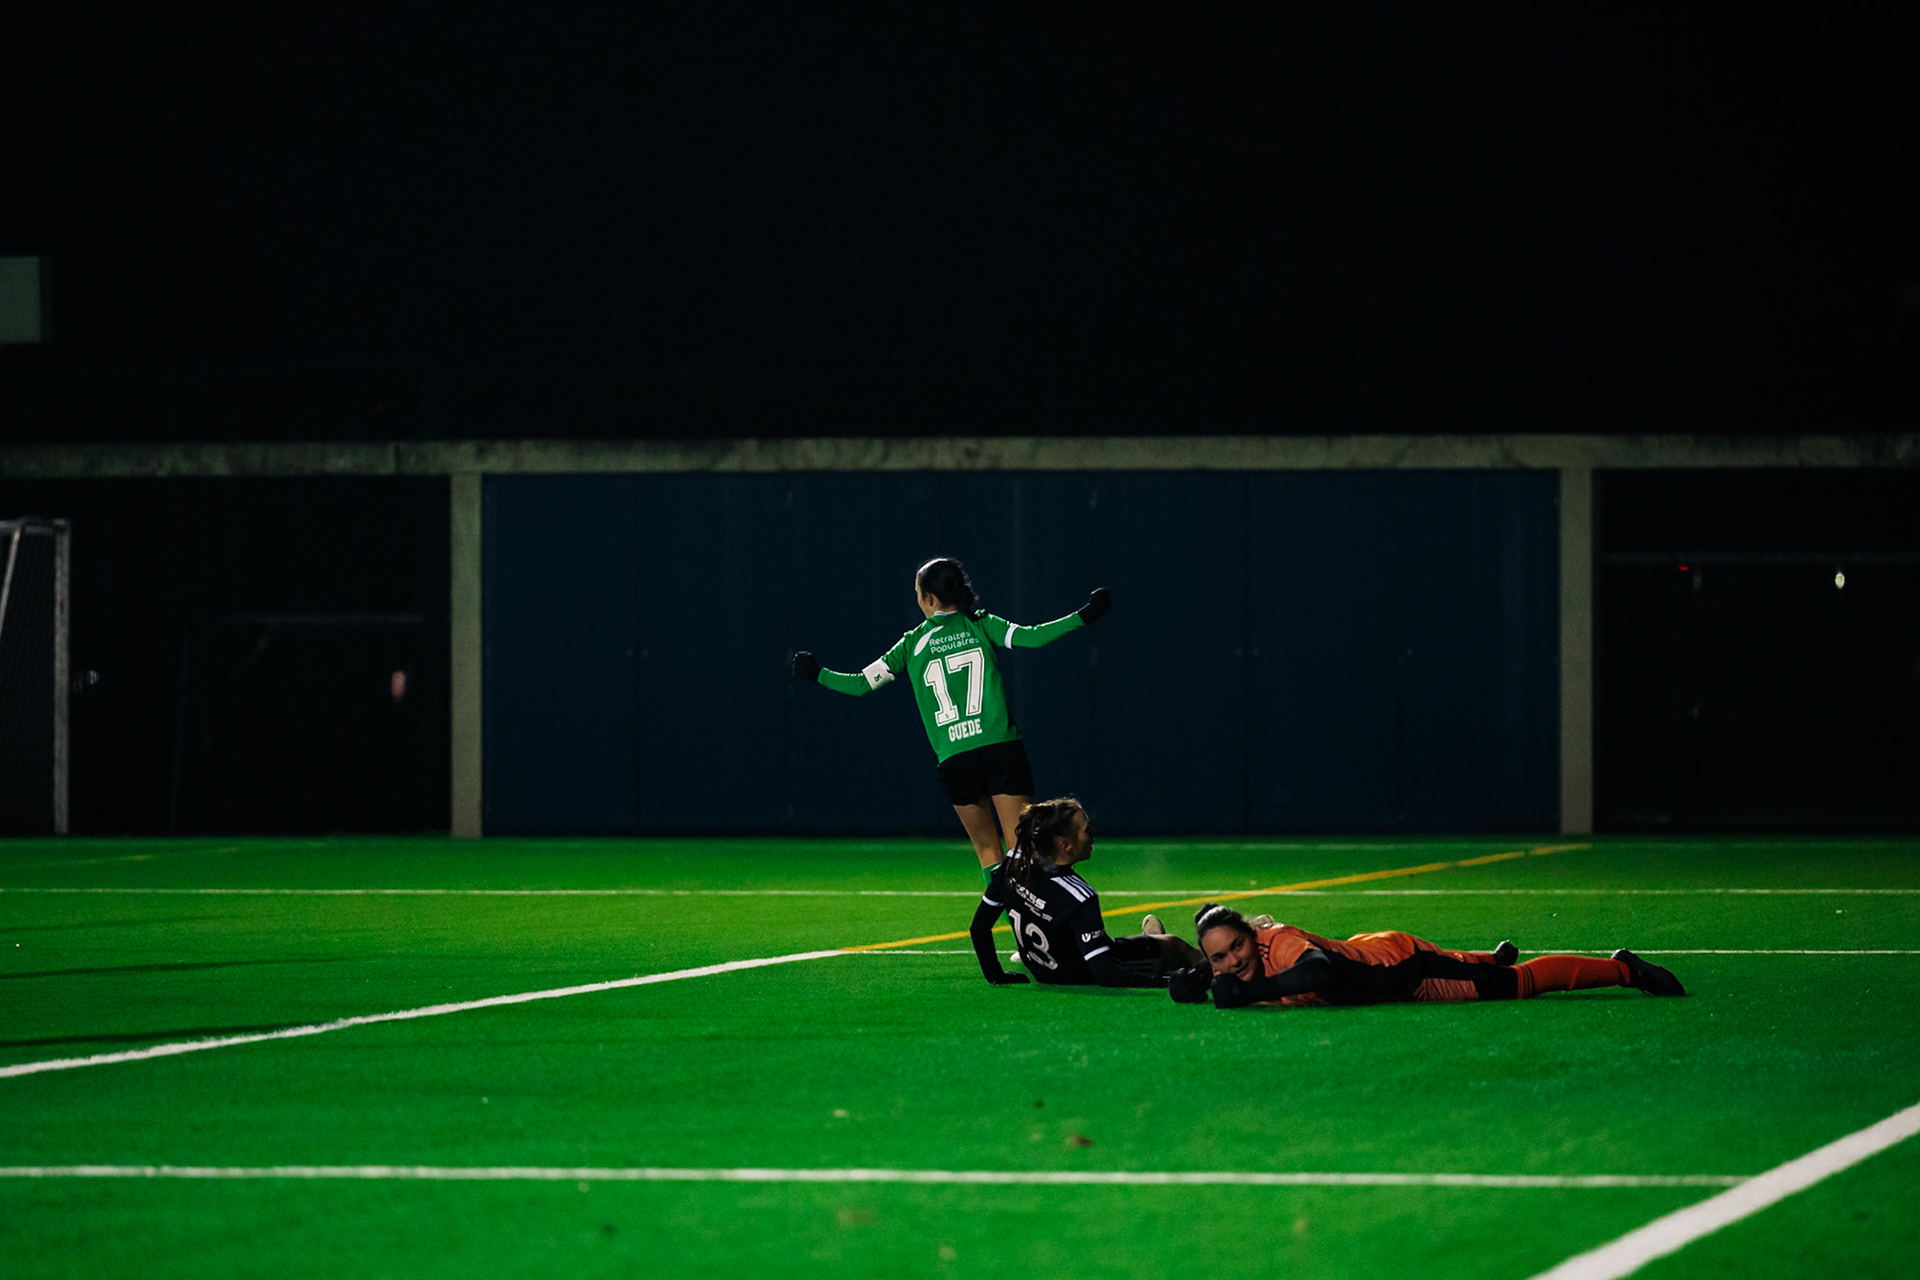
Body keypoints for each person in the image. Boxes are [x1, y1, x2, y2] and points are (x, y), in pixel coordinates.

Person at [792, 557, 1110, 879]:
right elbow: (1034, 636)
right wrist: (1086, 614)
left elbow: (861, 684)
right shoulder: (981, 623)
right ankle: (1034, 912)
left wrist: (816, 673)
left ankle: (999, 911)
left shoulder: (912, 643)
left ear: (929, 597)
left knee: (988, 853)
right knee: (1022, 850)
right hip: (1000, 748)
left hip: (956, 758)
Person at [1169, 902, 1686, 1007]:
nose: (1233, 962)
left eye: (1237, 946)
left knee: (1519, 986)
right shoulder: (1230, 972)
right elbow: (1222, 983)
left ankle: (1626, 969)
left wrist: (1247, 993)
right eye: (1219, 958)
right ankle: (1489, 957)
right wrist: (1189, 986)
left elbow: (1318, 970)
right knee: (1471, 966)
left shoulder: (1279, 943)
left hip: (1403, 970)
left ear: (1251, 935)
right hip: (1375, 953)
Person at [970, 796, 1203, 988]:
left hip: (1042, 971)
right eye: (1084, 828)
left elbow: (979, 928)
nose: (1092, 832)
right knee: (1176, 946)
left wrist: (996, 975)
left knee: (1149, 944)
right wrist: (1166, 982)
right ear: (1065, 845)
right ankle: (1179, 954)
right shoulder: (1079, 897)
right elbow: (1105, 974)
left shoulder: (1013, 864)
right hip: (1081, 973)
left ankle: (1151, 938)